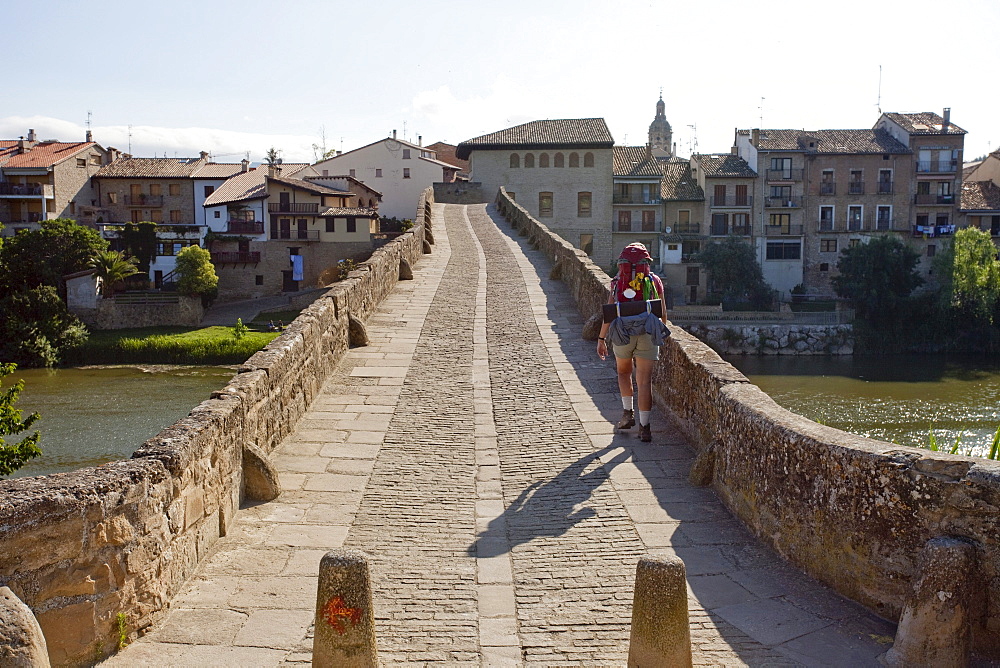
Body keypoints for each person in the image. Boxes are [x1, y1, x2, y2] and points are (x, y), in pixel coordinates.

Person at [596, 243, 669, 442]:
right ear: (646, 262)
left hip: (622, 333)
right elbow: (662, 313)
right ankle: (645, 428)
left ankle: (628, 413)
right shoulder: (654, 281)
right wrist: (660, 333)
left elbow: (609, 314)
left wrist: (601, 338)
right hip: (647, 332)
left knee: (623, 372)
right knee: (644, 382)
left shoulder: (617, 282)